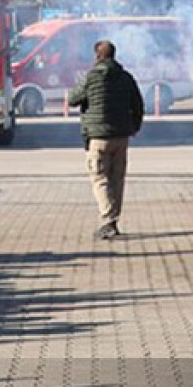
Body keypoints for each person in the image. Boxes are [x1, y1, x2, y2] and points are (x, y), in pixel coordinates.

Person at [69, 41, 144, 241]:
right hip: (121, 135)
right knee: (117, 179)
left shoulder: (90, 78)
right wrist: (135, 126)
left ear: (97, 56)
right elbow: (138, 103)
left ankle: (108, 221)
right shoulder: (126, 78)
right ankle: (113, 220)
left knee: (100, 179)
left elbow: (72, 100)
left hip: (97, 137)